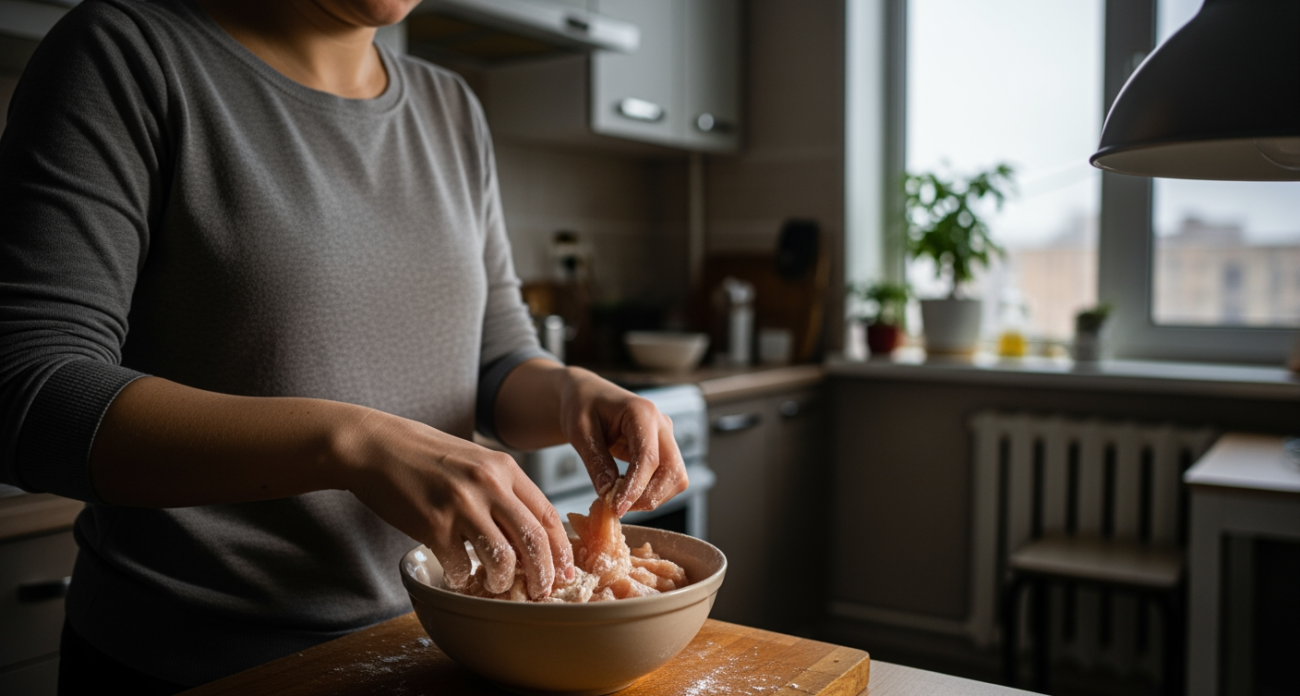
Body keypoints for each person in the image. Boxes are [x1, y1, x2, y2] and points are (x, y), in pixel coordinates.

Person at [0, 0, 688, 692]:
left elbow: (494, 362)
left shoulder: (450, 107)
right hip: (193, 666)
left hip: (433, 648)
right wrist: (350, 444)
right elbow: (29, 392)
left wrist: (574, 391)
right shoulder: (125, 55)